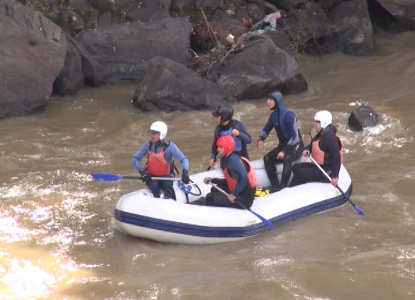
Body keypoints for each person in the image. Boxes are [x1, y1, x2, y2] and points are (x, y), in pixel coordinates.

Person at [256, 91, 304, 192]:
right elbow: (266, 129)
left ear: (277, 101)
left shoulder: (289, 115)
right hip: (283, 145)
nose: (267, 102)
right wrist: (261, 138)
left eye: (270, 100)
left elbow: (295, 138)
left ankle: (283, 186)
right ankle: (275, 186)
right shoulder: (273, 116)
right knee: (267, 158)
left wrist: (284, 151)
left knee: (287, 159)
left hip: (295, 145)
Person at [132, 121, 190, 200]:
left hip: (166, 177)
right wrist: (142, 172)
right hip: (151, 177)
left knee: (168, 187)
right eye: (152, 133)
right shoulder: (148, 145)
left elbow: (183, 159)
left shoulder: (170, 147)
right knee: (154, 185)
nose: (152, 135)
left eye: (155, 133)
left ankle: (173, 204)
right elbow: (135, 159)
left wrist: (185, 171)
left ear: (162, 134)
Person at [290, 110, 342, 187]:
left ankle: (292, 188)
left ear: (324, 123)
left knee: (300, 172)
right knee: (296, 167)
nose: (314, 124)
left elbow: (337, 157)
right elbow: (312, 144)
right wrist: (307, 150)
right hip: (319, 166)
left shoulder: (330, 137)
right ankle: (300, 186)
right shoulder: (321, 134)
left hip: (327, 171)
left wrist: (335, 176)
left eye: (317, 122)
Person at [203, 136, 257, 209]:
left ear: (227, 148)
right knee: (214, 189)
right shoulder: (228, 158)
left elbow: (244, 177)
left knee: (209, 198)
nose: (218, 149)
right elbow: (231, 181)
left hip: (243, 200)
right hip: (240, 192)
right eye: (218, 147)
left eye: (220, 147)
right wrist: (212, 180)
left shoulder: (233, 160)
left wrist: (233, 195)